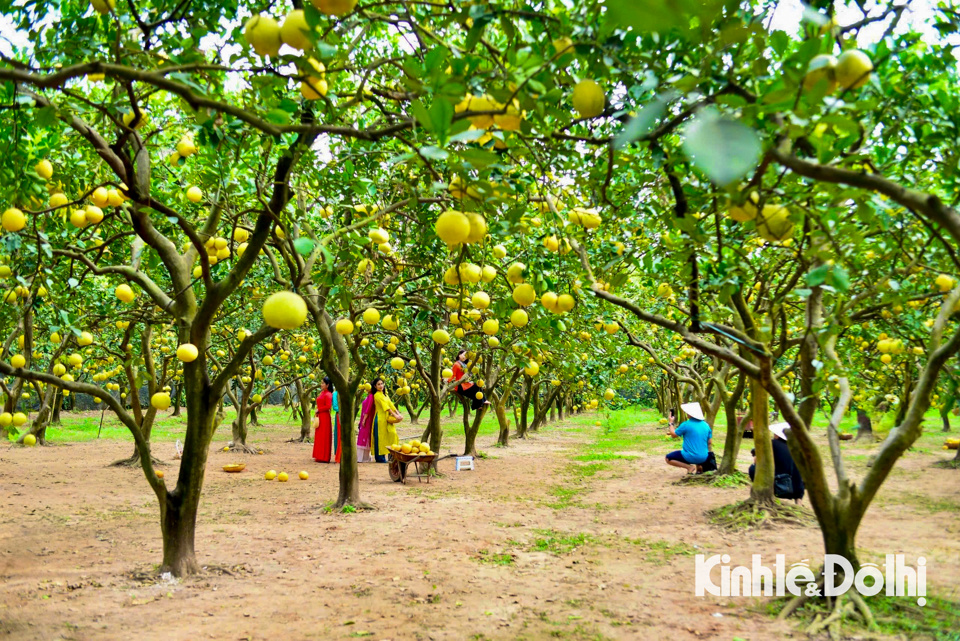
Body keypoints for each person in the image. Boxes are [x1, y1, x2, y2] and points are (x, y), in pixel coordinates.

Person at [749, 422, 805, 504]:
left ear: (778, 435)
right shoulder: (797, 447)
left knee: (753, 468)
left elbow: (757, 461)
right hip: (796, 488)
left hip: (779, 486)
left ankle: (763, 494)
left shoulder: (772, 444)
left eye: (775, 433)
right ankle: (799, 501)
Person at [665, 402, 713, 474]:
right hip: (704, 457)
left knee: (668, 458)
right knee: (698, 449)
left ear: (691, 414)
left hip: (689, 457)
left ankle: (689, 467)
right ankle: (699, 467)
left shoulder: (686, 424)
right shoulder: (706, 425)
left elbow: (673, 435)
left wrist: (670, 423)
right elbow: (709, 442)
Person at [372, 377, 402, 463]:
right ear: (375, 386)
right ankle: (380, 458)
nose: (381, 386)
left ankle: (392, 455)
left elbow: (391, 405)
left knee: (392, 435)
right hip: (380, 418)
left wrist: (398, 413)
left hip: (387, 418)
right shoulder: (377, 395)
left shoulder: (385, 394)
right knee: (381, 438)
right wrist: (395, 416)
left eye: (382, 384)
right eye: (378, 384)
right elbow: (386, 407)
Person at [312, 377, 341, 463]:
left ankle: (324, 457)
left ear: (327, 385)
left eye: (323, 383)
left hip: (324, 417)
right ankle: (319, 455)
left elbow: (328, 406)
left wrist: (319, 409)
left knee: (324, 436)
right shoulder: (322, 393)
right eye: (321, 383)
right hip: (320, 416)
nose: (321, 385)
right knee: (319, 436)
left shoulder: (328, 394)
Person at [356, 384, 376, 463]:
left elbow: (368, 408)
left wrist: (364, 419)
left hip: (367, 419)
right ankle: (363, 457)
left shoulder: (371, 396)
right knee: (363, 436)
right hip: (364, 418)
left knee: (364, 436)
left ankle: (364, 458)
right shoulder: (369, 396)